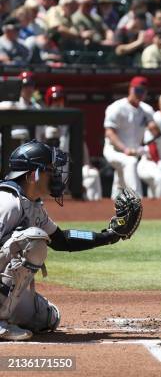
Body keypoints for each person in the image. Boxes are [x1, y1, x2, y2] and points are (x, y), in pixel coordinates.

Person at [0, 140, 141, 341]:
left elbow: (62, 240)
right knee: (33, 239)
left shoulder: (32, 205)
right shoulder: (7, 202)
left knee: (47, 318)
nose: (56, 175)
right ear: (33, 175)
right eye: (50, 170)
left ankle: (9, 313)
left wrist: (109, 235)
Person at [103, 76, 160, 199]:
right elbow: (109, 133)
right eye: (138, 90)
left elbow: (156, 132)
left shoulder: (147, 109)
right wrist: (125, 149)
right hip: (114, 150)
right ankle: (137, 199)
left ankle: (114, 202)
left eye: (143, 91)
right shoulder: (116, 107)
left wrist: (153, 125)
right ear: (131, 89)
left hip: (133, 150)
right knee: (130, 162)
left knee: (121, 182)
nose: (140, 94)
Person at [42, 85, 102, 201]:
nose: (58, 103)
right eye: (55, 100)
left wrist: (87, 163)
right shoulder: (42, 122)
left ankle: (93, 212)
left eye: (60, 100)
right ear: (49, 102)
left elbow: (82, 145)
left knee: (92, 174)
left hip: (69, 169)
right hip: (48, 171)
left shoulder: (71, 122)